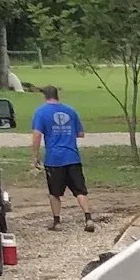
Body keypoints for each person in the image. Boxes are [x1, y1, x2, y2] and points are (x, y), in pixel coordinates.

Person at [30, 85, 94, 233]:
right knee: (80, 190)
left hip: (54, 159)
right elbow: (80, 133)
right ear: (57, 95)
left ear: (45, 96)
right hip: (72, 157)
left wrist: (35, 157)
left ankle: (57, 222)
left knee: (55, 192)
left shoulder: (41, 112)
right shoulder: (70, 111)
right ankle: (88, 218)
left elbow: (37, 135)